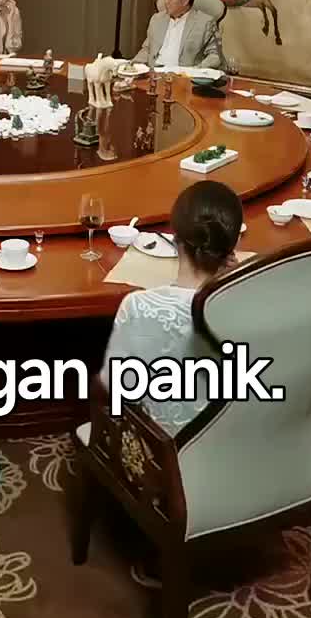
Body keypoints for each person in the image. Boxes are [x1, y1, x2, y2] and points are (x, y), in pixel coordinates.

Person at [98, 181, 244, 435]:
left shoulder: (138, 306)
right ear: (231, 245)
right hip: (228, 442)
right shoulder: (248, 305)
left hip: (159, 449)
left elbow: (117, 385)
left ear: (174, 238)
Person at [134, 0, 224, 71]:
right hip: (153, 73)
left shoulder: (205, 23)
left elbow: (215, 56)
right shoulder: (157, 19)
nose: (165, 2)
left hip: (183, 76)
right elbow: (147, 49)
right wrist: (133, 66)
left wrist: (196, 70)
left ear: (185, 1)